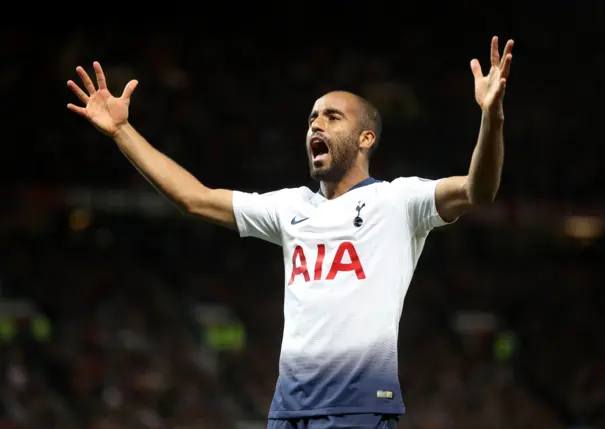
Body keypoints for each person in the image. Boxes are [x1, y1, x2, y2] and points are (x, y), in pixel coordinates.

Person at [66, 36, 514, 429]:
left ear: (366, 139)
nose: (316, 125)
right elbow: (195, 198)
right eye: (312, 118)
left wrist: (490, 117)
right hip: (287, 410)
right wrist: (122, 132)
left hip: (356, 408)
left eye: (332, 117)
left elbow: (480, 189)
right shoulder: (290, 208)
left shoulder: (399, 202)